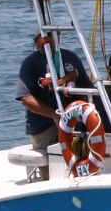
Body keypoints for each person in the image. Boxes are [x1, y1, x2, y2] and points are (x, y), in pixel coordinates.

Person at [15, 34, 95, 179]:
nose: (46, 40)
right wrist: (53, 114)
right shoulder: (31, 63)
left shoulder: (70, 58)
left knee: (80, 160)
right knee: (52, 170)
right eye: (42, 37)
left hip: (75, 123)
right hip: (44, 126)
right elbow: (25, 98)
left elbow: (88, 88)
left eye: (51, 36)